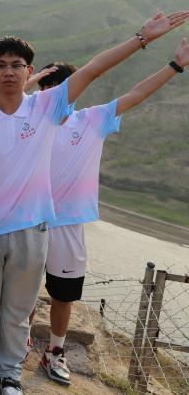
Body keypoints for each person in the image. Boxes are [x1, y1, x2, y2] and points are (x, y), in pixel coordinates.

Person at [0, 10, 189, 395]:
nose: (9, 72)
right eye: (1, 65)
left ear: (28, 72)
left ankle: (10, 372)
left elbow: (94, 69)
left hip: (33, 228)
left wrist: (142, 38)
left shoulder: (46, 108)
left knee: (19, 308)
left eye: (17, 65)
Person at [30, 38, 189, 386]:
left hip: (67, 223)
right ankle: (17, 342)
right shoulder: (29, 119)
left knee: (63, 294)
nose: (50, 92)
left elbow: (136, 95)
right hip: (27, 218)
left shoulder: (92, 119)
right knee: (21, 290)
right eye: (44, 85)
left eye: (57, 85)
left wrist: (176, 66)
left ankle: (54, 352)